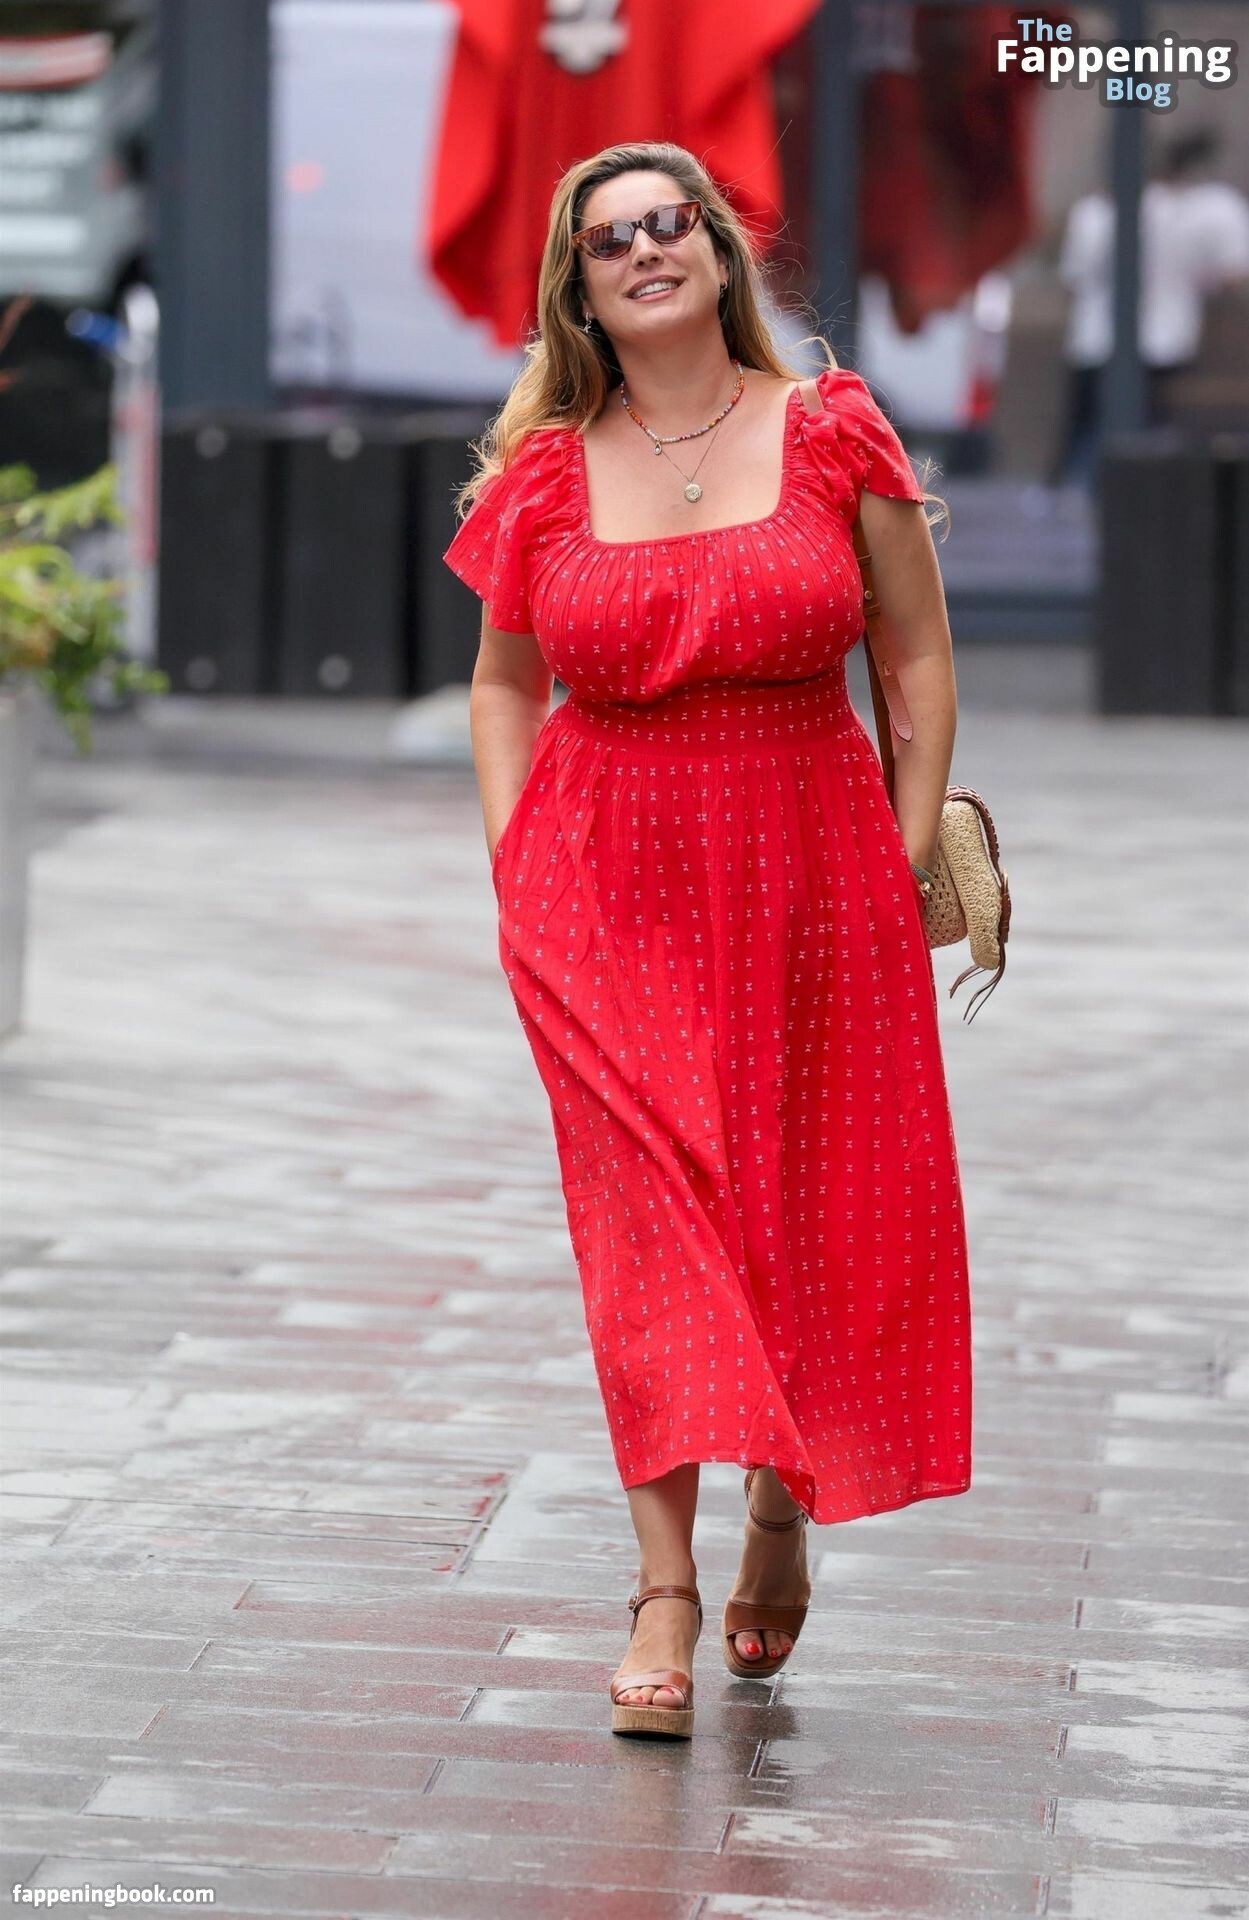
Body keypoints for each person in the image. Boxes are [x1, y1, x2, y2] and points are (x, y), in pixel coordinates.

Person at [442, 141, 972, 1740]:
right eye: (611, 240)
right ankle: (661, 1587)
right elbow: (503, 686)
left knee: (804, 1217)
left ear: (724, 255)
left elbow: (916, 658)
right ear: (580, 291)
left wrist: (901, 853)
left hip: (813, 869)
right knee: (651, 1227)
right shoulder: (546, 475)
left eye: (674, 222)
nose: (648, 249)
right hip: (601, 888)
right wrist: (517, 865)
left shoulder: (831, 433)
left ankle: (779, 1507)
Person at [1053, 129, 1249, 487]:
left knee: (1090, 434)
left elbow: (1073, 278)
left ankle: (1074, 494)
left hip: (1099, 341)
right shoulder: (1202, 210)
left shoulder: (1094, 213)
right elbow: (1231, 275)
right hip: (1162, 342)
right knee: (1146, 438)